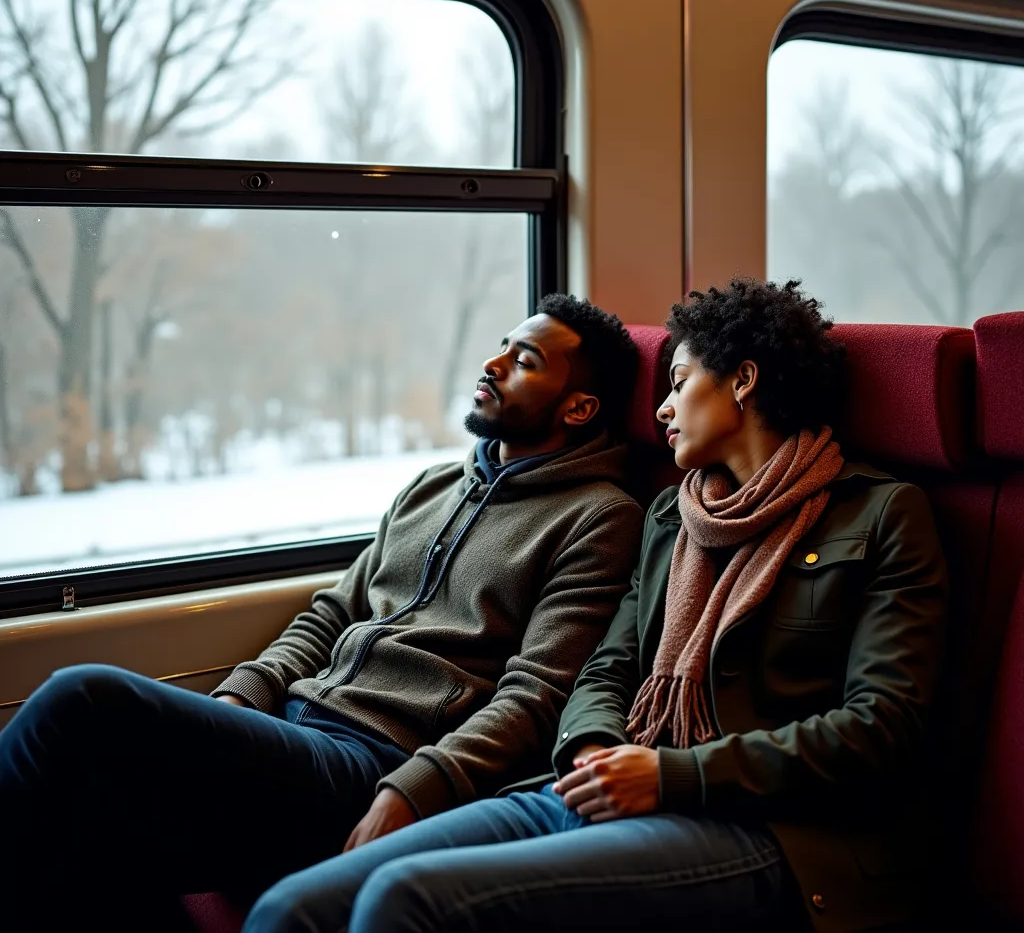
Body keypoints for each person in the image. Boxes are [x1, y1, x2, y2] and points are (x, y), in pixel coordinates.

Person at [243, 277, 948, 933]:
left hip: (777, 831)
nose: (663, 411)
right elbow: (605, 670)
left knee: (405, 900)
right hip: (603, 783)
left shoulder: (882, 514)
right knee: (296, 904)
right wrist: (593, 750)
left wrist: (673, 773)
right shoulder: (674, 516)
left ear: (743, 380)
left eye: (679, 383)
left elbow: (880, 727)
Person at [0, 294, 644, 933]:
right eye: (501, 345)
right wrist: (240, 702)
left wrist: (413, 789)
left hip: (372, 759)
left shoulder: (599, 518)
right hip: (293, 729)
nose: (493, 363)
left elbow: (536, 697)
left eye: (524, 360)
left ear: (579, 407)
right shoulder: (433, 487)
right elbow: (330, 615)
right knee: (82, 822)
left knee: (82, 699)